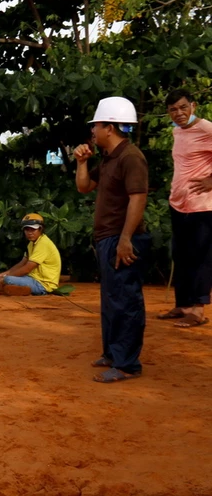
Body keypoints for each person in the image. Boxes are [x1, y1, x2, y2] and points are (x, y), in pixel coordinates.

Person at [73, 96, 150, 383]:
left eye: (96, 126)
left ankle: (127, 364)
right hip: (110, 239)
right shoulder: (110, 158)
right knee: (111, 300)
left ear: (110, 127)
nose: (92, 131)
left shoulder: (131, 157)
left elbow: (138, 198)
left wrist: (126, 238)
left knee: (125, 301)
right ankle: (113, 354)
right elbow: (84, 187)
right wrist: (82, 161)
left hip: (122, 239)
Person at [159, 88, 212, 328]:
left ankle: (198, 310)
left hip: (202, 205)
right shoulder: (176, 131)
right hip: (178, 204)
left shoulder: (206, 128)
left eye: (182, 107)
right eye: (172, 110)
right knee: (180, 255)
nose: (178, 113)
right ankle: (183, 305)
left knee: (201, 257)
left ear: (193, 105)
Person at [0, 213, 62, 296]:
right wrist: (2, 275)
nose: (30, 232)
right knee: (4, 279)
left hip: (43, 284)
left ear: (40, 229)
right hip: (32, 279)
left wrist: (4, 278)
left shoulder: (43, 243)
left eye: (33, 229)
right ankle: (19, 289)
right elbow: (22, 263)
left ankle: (23, 289)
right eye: (27, 229)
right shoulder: (32, 244)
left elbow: (27, 269)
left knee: (8, 279)